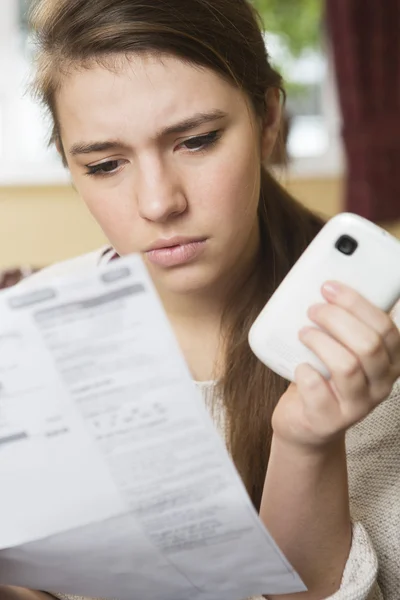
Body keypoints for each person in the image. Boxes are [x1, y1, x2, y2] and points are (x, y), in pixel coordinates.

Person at [2, 0, 400, 599]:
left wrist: (305, 445)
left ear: (268, 120)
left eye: (196, 141)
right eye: (107, 164)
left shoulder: (376, 343)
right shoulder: (24, 334)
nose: (160, 203)